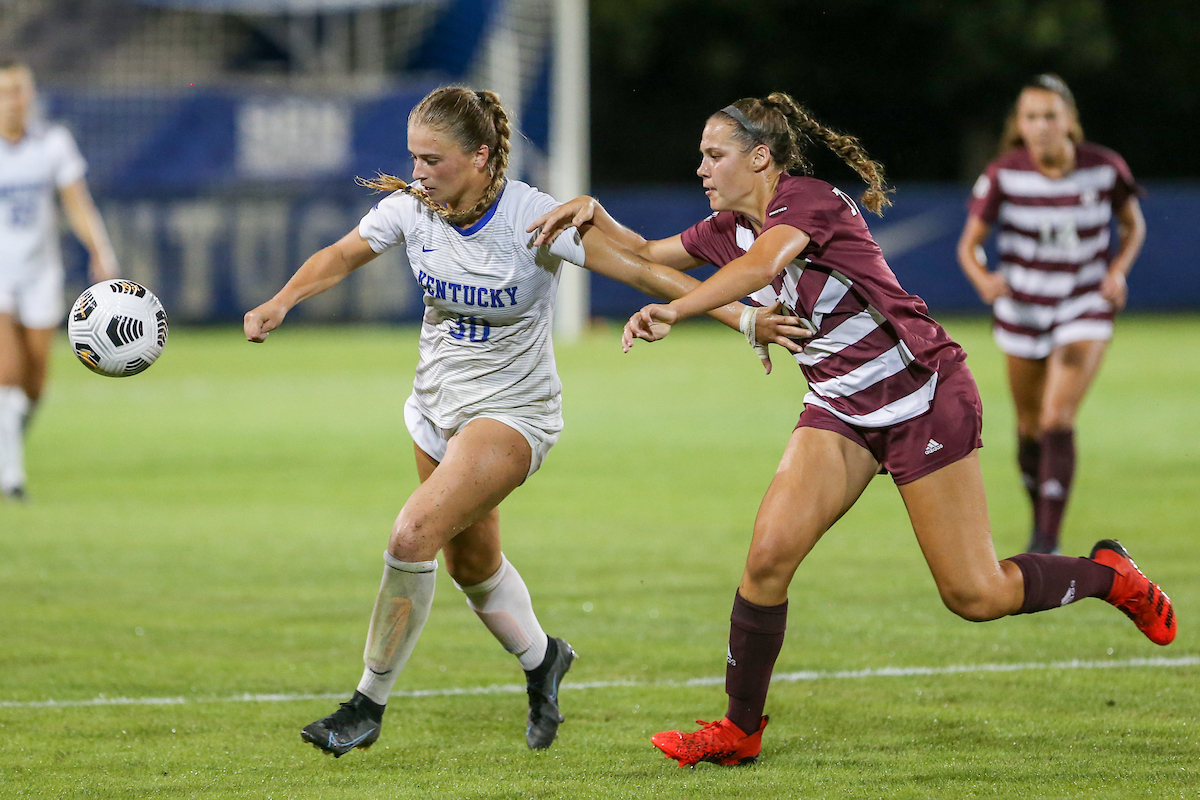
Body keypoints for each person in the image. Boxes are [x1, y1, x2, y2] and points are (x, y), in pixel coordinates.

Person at [532, 91, 1174, 768]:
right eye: (701, 156)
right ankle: (739, 730)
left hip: (922, 397)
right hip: (840, 408)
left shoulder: (807, 201)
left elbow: (762, 267)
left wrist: (683, 311)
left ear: (761, 158)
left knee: (976, 595)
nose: (702, 169)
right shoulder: (727, 227)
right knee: (766, 560)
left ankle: (1109, 576)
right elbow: (641, 253)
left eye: (714, 155)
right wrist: (594, 213)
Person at [243, 85, 804, 758]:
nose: (418, 172)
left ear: (480, 157)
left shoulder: (533, 217)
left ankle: (365, 705)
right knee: (471, 565)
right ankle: (544, 660)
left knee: (412, 534)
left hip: (513, 413)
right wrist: (281, 301)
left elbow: (642, 271)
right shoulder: (411, 209)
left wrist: (743, 318)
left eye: (433, 159)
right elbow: (340, 255)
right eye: (414, 157)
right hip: (434, 408)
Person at [957, 74, 1146, 555]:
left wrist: (1117, 271)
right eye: (1031, 117)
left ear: (1069, 121)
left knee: (1057, 417)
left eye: (1049, 116)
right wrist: (983, 279)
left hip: (1083, 305)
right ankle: (1041, 520)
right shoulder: (1004, 173)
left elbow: (1133, 225)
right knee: (1029, 427)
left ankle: (1046, 542)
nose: (1041, 126)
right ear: (1019, 125)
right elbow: (969, 246)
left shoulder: (1104, 168)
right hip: (1023, 309)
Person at [0, 59, 118, 500]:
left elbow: (77, 203)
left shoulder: (52, 143)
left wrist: (101, 250)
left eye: (19, 90)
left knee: (34, 385)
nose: (13, 100)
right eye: (4, 92)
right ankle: (12, 477)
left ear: (30, 94)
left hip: (39, 273)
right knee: (7, 371)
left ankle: (6, 449)